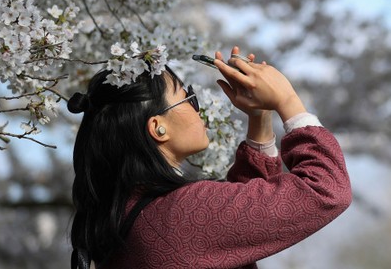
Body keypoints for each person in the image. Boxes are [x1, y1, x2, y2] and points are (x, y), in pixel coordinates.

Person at [67, 46, 351, 269]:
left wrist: (260, 118)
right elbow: (325, 189)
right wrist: (287, 100)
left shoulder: (136, 213)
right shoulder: (178, 214)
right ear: (158, 128)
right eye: (187, 98)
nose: (197, 108)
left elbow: (230, 226)